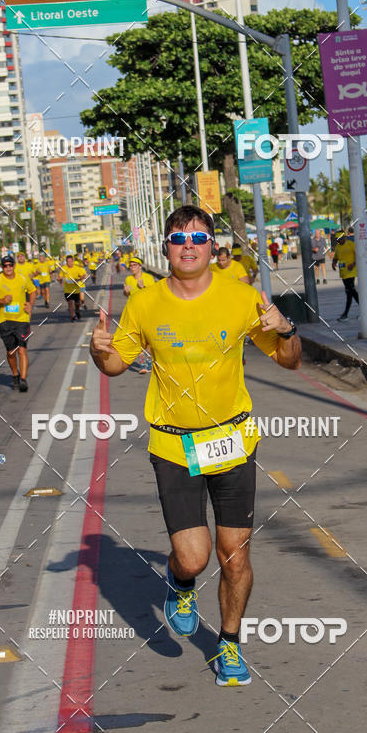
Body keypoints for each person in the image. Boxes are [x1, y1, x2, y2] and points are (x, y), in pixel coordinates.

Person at [90, 205, 302, 687]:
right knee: (193, 557)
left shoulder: (242, 297)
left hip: (232, 440)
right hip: (174, 446)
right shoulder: (145, 303)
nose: (189, 245)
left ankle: (229, 644)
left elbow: (289, 361)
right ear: (165, 246)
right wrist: (99, 353)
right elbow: (117, 365)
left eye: (199, 238)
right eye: (178, 237)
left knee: (236, 554)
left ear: (212, 246)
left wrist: (286, 329)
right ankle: (180, 584)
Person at [0, 255, 35, 391]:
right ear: (2, 267)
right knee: (11, 353)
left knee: (22, 349)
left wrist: (30, 304)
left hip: (22, 319)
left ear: (14, 265)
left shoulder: (22, 277)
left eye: (10, 265)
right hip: (5, 321)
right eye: (5, 266)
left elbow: (32, 290)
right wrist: (2, 300)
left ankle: (23, 379)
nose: (8, 268)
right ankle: (15, 374)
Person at [124, 256, 156, 373]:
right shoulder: (128, 279)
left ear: (140, 266)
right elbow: (128, 295)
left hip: (147, 312)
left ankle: (149, 362)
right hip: (134, 313)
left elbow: (153, 295)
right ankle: (145, 365)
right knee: (138, 339)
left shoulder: (148, 278)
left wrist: (143, 287)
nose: (132, 268)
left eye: (135, 265)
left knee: (148, 340)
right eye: (131, 266)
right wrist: (125, 292)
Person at [332, 230, 359, 322]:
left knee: (350, 292)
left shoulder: (351, 244)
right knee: (351, 292)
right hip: (343, 274)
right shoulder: (338, 247)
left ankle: (345, 314)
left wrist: (353, 263)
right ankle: (363, 310)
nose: (338, 241)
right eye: (337, 240)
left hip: (351, 273)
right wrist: (333, 263)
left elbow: (359, 256)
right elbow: (335, 257)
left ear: (344, 237)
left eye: (339, 239)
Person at [58, 254, 85, 321]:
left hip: (76, 290)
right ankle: (73, 315)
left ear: (73, 261)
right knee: (70, 302)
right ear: (66, 262)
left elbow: (83, 275)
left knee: (77, 303)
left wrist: (78, 279)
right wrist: (60, 280)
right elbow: (60, 276)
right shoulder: (64, 268)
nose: (69, 263)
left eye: (70, 261)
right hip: (67, 290)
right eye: (67, 262)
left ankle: (77, 311)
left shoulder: (77, 268)